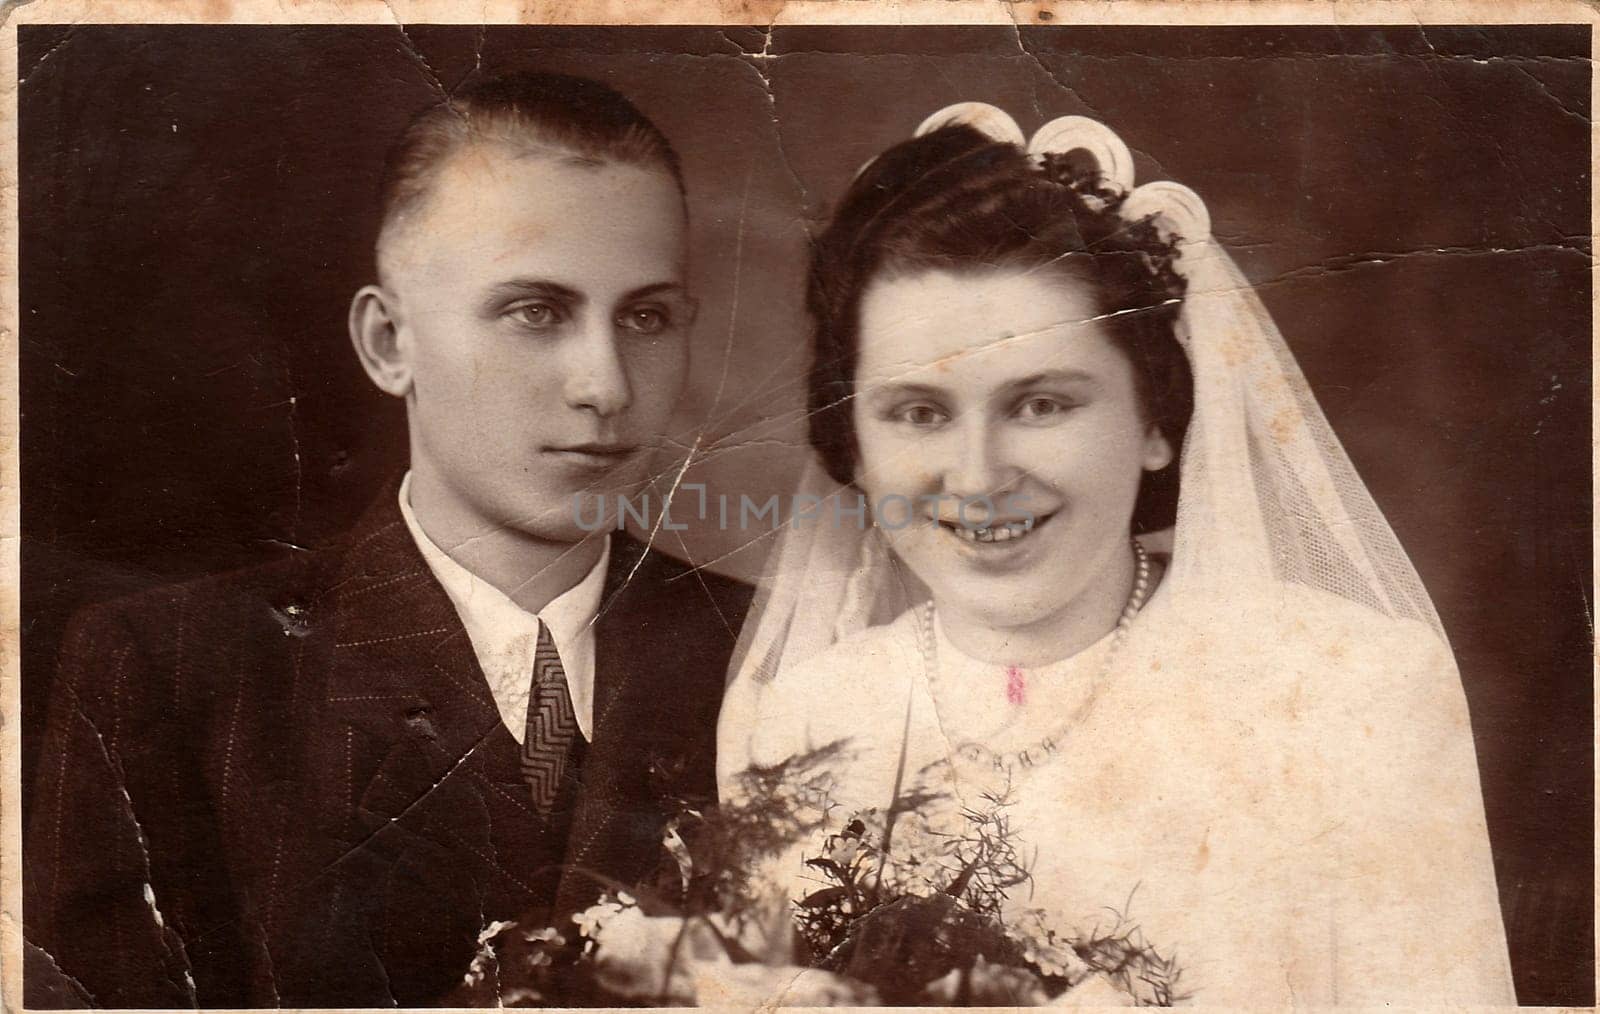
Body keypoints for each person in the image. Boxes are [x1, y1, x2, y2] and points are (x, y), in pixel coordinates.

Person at [718, 103, 1515, 1004]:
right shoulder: (800, 719)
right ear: (853, 445)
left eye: (1043, 404)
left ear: (1155, 421)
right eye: (919, 413)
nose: (977, 478)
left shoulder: (1353, 689)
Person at [25, 71, 751, 1007]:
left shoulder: (773, 657)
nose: (606, 385)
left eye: (647, 316)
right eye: (535, 311)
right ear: (387, 343)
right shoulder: (174, 675)